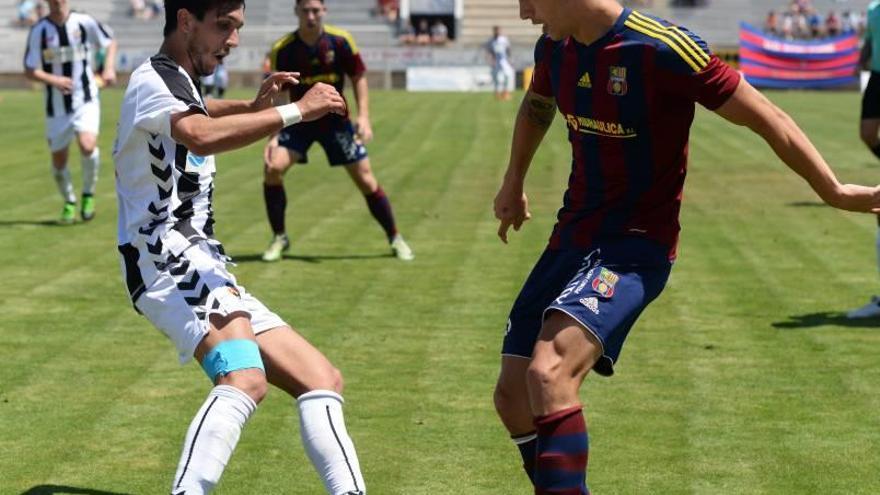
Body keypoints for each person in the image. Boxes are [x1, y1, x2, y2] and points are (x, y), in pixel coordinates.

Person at [493, 0, 880, 492]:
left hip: (635, 248)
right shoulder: (555, 46)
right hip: (572, 238)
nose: (525, 12)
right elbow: (537, 104)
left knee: (549, 373)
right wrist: (513, 181)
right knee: (512, 396)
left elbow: (766, 117)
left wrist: (834, 190)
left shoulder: (663, 48)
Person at [113, 1, 367, 493]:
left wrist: (255, 109)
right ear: (185, 21)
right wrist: (294, 111)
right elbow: (199, 134)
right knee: (243, 380)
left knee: (321, 379)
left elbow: (200, 112)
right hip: (164, 257)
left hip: (202, 260)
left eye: (237, 28)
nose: (232, 40)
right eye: (223, 26)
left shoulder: (181, 81)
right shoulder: (152, 78)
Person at [261, 0, 414, 262]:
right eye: (306, 10)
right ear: (296, 11)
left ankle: (395, 236)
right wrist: (273, 134)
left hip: (336, 122)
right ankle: (279, 237)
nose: (311, 16)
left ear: (324, 11)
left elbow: (358, 77)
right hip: (300, 121)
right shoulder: (283, 49)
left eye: (316, 10)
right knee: (273, 168)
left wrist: (364, 117)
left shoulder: (340, 41)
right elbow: (278, 93)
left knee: (365, 179)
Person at [23, 0, 116, 223]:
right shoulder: (39, 30)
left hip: (85, 99)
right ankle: (69, 201)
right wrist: (54, 79)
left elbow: (110, 41)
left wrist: (109, 67)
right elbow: (29, 69)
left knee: (87, 145)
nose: (57, 3)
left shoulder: (83, 21)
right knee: (59, 161)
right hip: (56, 107)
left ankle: (88, 194)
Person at [850, 0, 880, 318]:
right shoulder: (873, 9)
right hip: (878, 75)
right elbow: (871, 39)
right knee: (867, 132)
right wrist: (862, 61)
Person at [487, 25, 515, 101]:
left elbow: (508, 49)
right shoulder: (491, 41)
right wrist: (491, 60)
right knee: (496, 78)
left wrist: (510, 59)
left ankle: (505, 92)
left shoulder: (504, 40)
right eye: (496, 30)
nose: (497, 32)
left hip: (504, 60)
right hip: (496, 61)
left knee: (507, 75)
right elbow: (490, 51)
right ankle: (497, 93)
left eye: (498, 30)